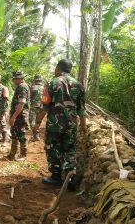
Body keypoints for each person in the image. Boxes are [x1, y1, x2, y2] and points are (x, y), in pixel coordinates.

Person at [33, 59, 86, 187]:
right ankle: (70, 178)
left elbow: (44, 106)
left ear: (58, 68)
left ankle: (56, 177)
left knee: (53, 148)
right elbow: (81, 109)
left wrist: (37, 123)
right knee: (69, 149)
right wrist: (83, 125)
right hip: (72, 124)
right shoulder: (79, 85)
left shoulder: (52, 83)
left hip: (55, 125)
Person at [7, 71, 30, 162]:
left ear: (18, 78)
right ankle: (12, 154)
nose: (13, 80)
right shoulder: (20, 87)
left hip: (20, 115)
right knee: (15, 133)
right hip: (18, 115)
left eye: (14, 78)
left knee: (21, 134)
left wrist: (14, 117)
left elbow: (21, 104)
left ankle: (23, 155)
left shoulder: (22, 87)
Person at [29, 75, 44, 141]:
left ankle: (36, 135)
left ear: (35, 80)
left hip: (34, 106)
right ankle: (36, 135)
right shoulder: (45, 88)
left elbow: (29, 96)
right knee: (38, 121)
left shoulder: (32, 87)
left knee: (32, 121)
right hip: (42, 107)